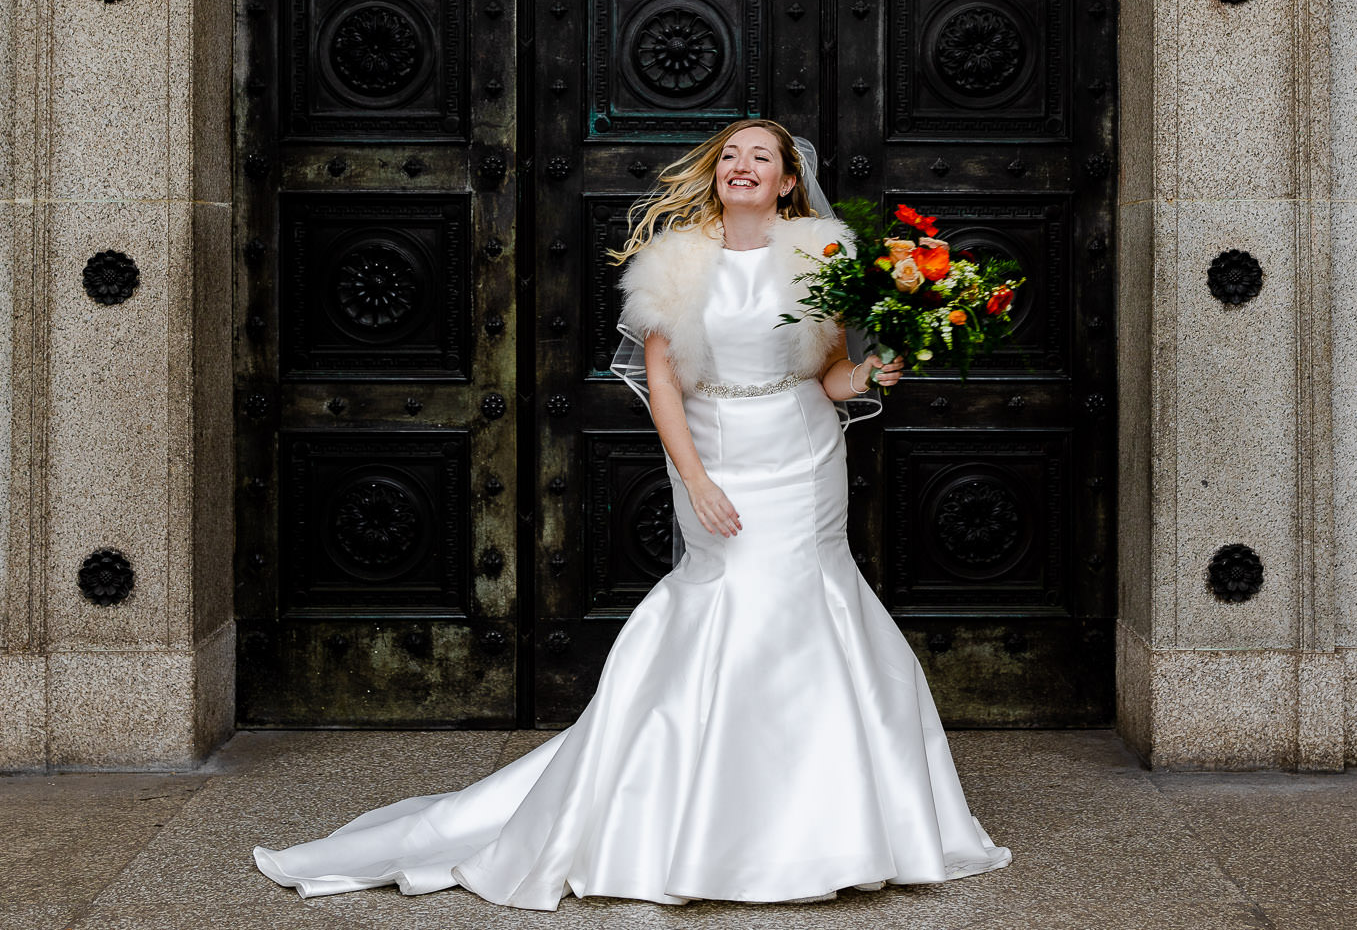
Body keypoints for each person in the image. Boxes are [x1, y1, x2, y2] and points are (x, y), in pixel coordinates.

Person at [253, 116, 1011, 908]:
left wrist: (875, 370)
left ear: (788, 180)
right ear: (715, 174)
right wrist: (696, 480)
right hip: (718, 452)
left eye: (761, 157)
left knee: (813, 605)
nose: (741, 166)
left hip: (806, 453)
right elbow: (663, 385)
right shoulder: (676, 260)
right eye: (730, 156)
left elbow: (825, 378)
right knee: (730, 605)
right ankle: (698, 821)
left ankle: (819, 825)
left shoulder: (820, 251)